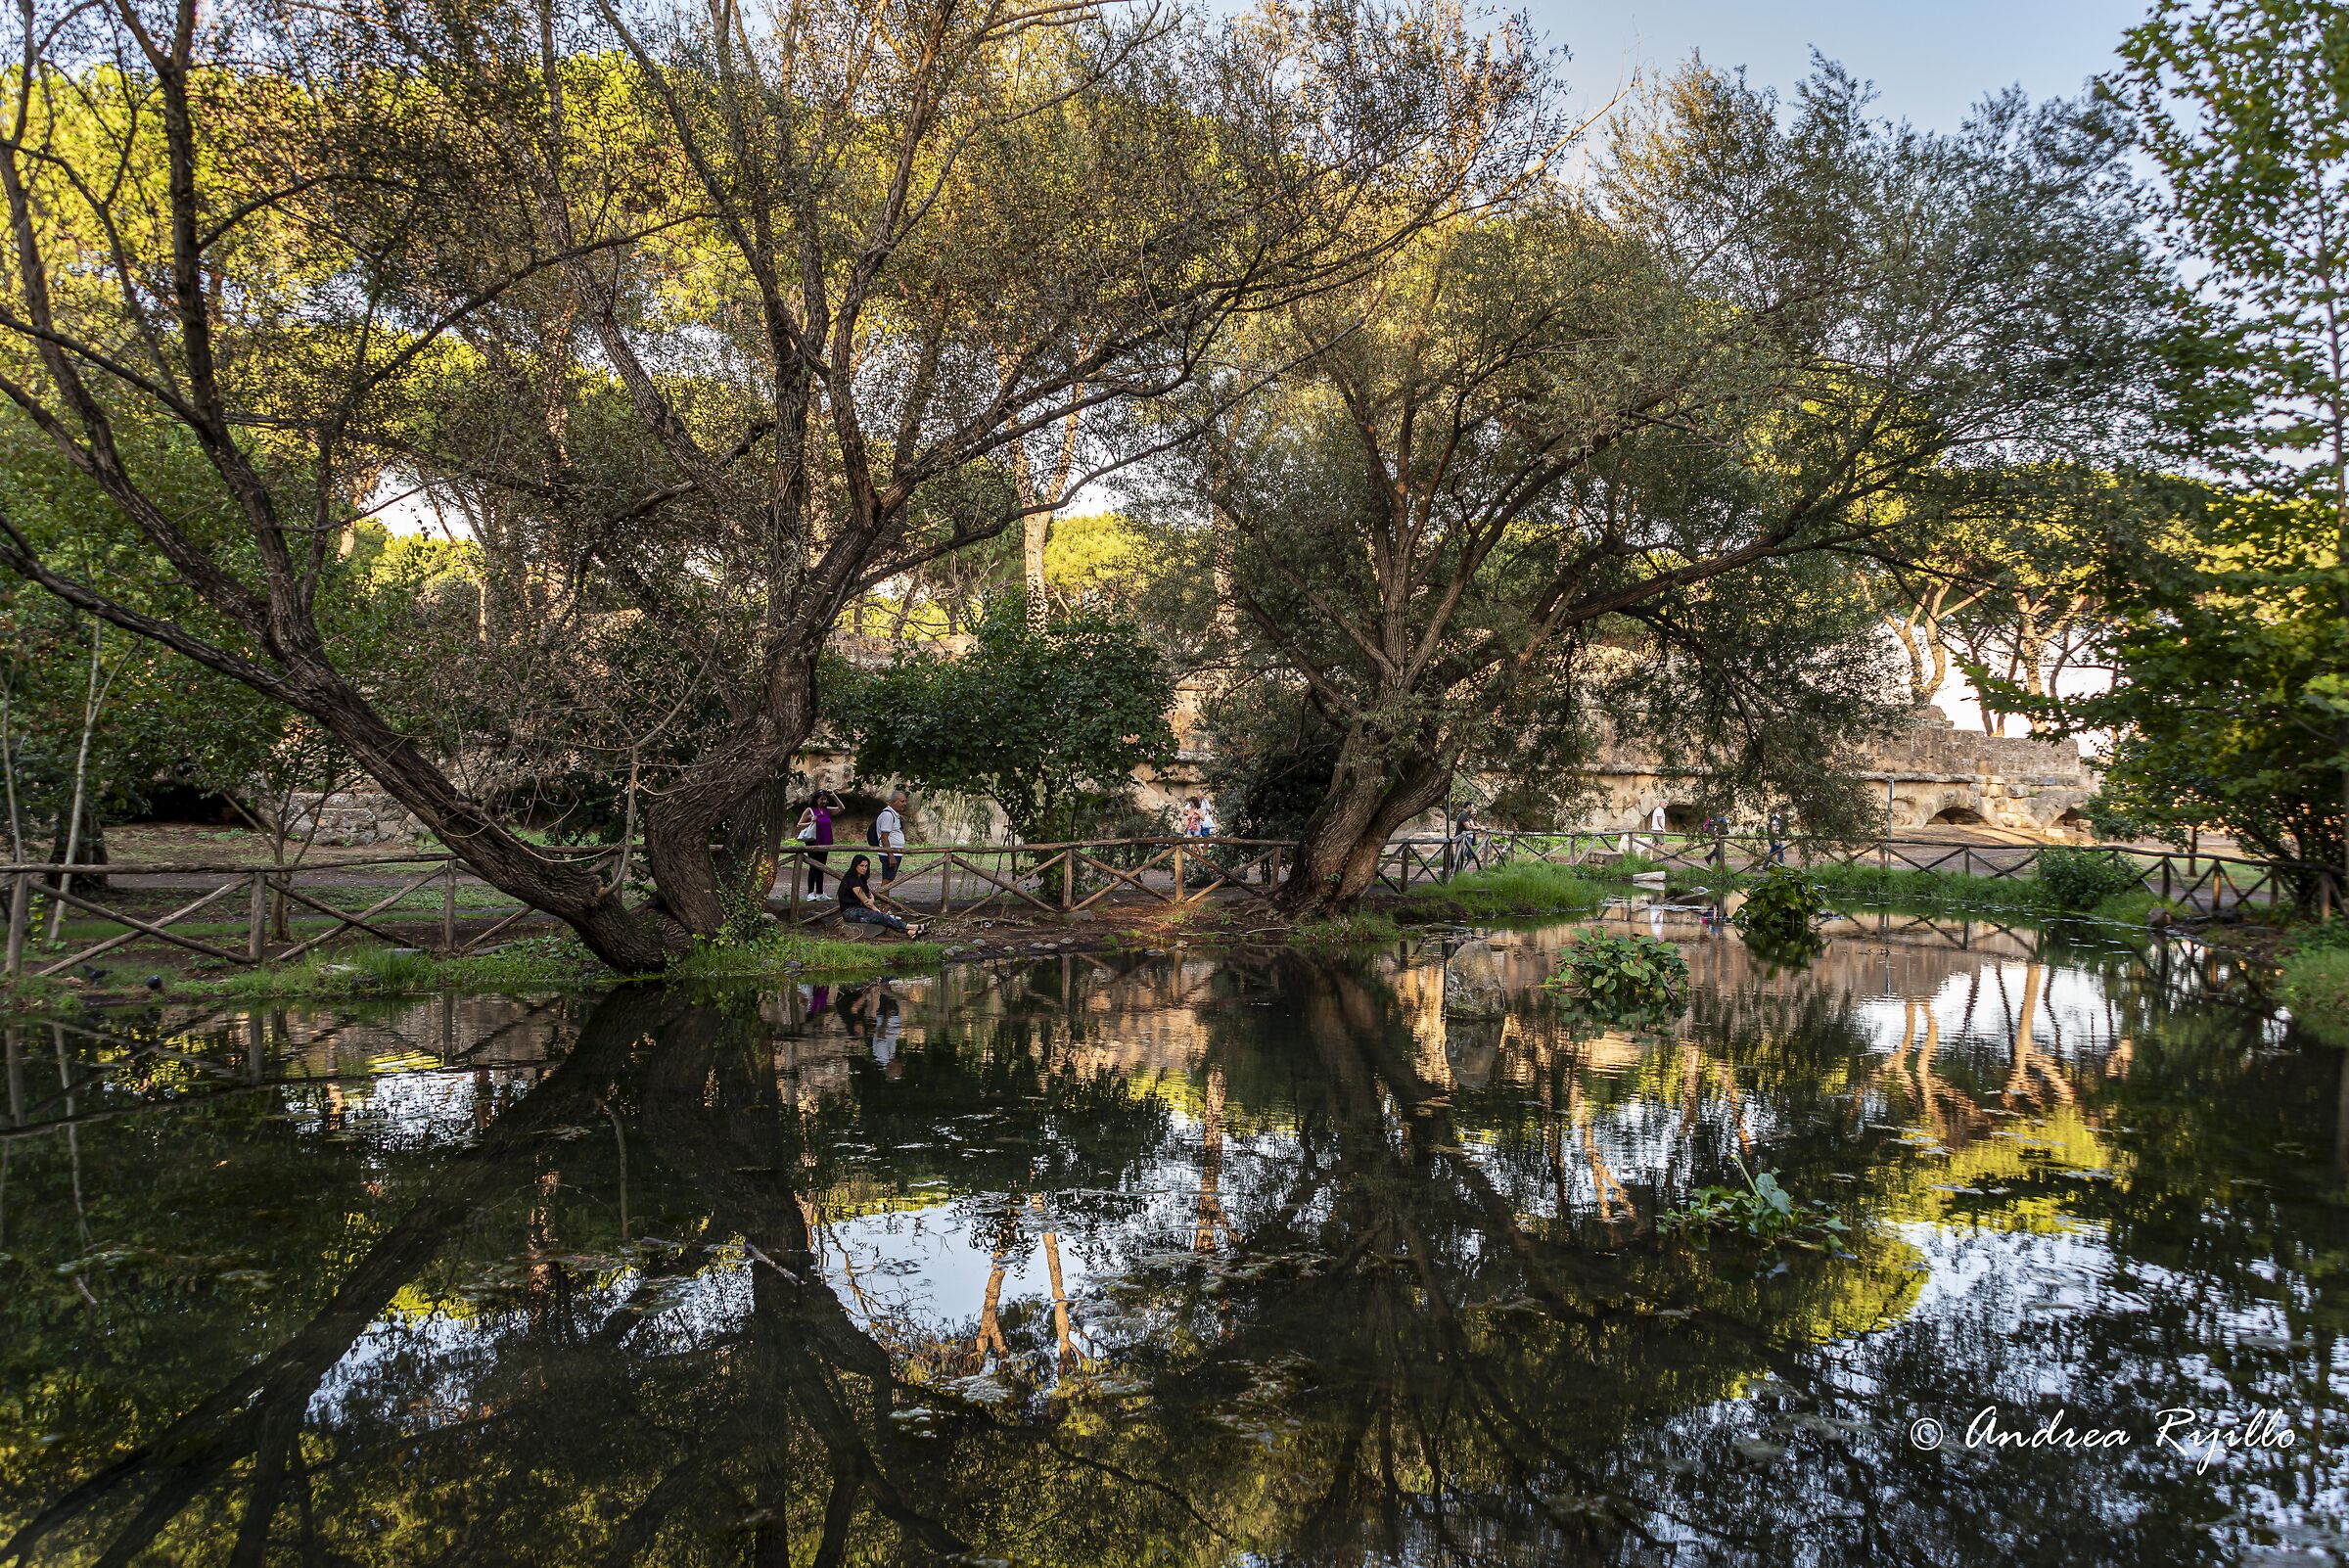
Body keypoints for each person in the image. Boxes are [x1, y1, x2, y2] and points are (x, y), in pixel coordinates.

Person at [836, 853, 924, 938]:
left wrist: (872, 900)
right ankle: (912, 927)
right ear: (855, 866)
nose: (864, 869)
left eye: (866, 866)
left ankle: (910, 932)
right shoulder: (853, 881)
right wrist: (878, 911)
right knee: (882, 917)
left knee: (884, 919)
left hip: (861, 909)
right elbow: (867, 902)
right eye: (861, 866)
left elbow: (870, 894)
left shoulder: (861, 878)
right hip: (851, 913)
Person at [798, 789, 841, 899]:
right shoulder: (810, 810)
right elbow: (799, 825)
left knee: (822, 867)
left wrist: (834, 796)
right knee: (813, 867)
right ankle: (811, 893)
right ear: (816, 799)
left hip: (825, 842)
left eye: (825, 799)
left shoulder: (827, 810)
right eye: (822, 799)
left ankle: (820, 893)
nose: (824, 801)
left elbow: (841, 808)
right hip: (813, 842)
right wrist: (811, 821)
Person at [875, 790, 909, 884]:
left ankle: (885, 898)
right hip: (890, 853)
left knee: (889, 880)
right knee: (887, 880)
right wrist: (890, 855)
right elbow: (884, 837)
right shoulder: (888, 815)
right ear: (893, 802)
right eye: (902, 801)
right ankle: (884, 898)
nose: (905, 804)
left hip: (894, 852)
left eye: (905, 801)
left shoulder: (894, 815)